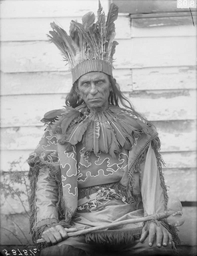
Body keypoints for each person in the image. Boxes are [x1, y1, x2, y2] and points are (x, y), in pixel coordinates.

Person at [27, 2, 184, 256]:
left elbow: (151, 178)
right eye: (85, 84)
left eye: (99, 82)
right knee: (57, 253)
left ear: (110, 85)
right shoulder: (60, 131)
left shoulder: (136, 130)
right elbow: (46, 181)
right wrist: (49, 223)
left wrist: (156, 219)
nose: (93, 90)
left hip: (132, 223)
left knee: (159, 250)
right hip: (78, 227)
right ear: (77, 89)